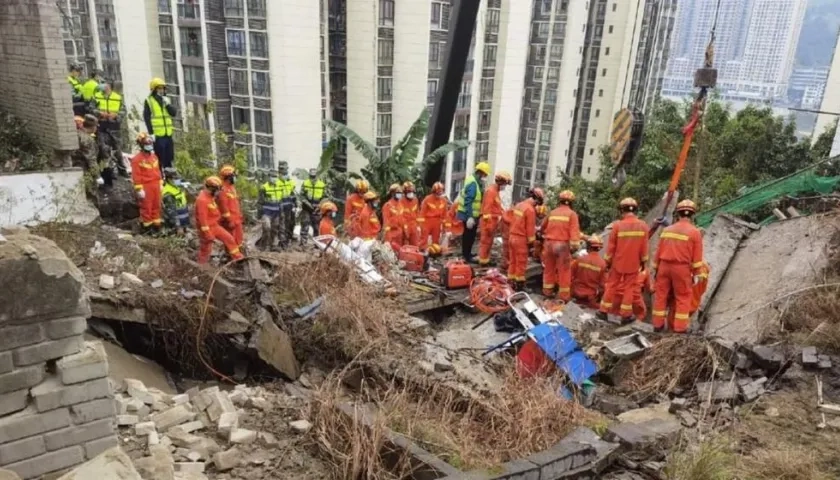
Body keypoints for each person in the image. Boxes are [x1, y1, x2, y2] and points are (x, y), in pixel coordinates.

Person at [651, 199, 704, 333]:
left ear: (678, 213)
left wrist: (656, 268)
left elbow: (658, 252)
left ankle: (657, 325)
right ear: (692, 215)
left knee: (661, 296)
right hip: (681, 269)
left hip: (663, 266)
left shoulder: (667, 230)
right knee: (683, 297)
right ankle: (680, 328)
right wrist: (698, 273)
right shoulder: (694, 232)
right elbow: (697, 259)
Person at [598, 197, 649, 324]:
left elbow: (611, 248)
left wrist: (608, 262)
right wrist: (643, 261)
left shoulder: (617, 226)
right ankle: (626, 315)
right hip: (633, 263)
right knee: (629, 288)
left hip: (617, 262)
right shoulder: (643, 226)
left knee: (611, 285)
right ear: (636, 210)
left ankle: (603, 311)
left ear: (622, 210)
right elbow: (644, 247)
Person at [541, 190, 582, 301]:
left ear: (560, 201)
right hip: (562, 246)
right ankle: (563, 297)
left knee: (548, 269)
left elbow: (542, 227)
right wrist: (574, 247)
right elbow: (574, 233)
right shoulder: (572, 214)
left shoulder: (552, 212)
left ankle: (547, 292)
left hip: (549, 244)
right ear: (572, 202)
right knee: (564, 272)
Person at [195, 176, 244, 264]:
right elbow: (202, 221)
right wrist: (207, 234)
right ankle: (201, 267)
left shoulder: (210, 197)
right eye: (218, 190)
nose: (219, 193)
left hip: (215, 226)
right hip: (206, 229)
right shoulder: (202, 200)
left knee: (229, 239)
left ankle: (238, 258)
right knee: (206, 250)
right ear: (212, 189)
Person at [508, 187, 544, 290]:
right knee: (521, 263)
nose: (537, 205)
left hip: (512, 237)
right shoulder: (530, 210)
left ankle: (510, 282)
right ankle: (519, 285)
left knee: (513, 261)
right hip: (520, 240)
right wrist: (532, 243)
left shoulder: (519, 205)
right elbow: (529, 230)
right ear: (536, 199)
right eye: (538, 202)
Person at [457, 162, 490, 262]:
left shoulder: (475, 181)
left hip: (472, 214)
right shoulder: (473, 184)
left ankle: (467, 253)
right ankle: (466, 256)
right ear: (481, 172)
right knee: (468, 235)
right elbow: (468, 201)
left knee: (470, 235)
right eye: (485, 174)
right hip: (468, 214)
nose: (485, 176)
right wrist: (470, 217)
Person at [130, 133, 163, 233]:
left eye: (150, 143)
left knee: (157, 206)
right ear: (141, 145)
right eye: (147, 143)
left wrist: (161, 183)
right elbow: (136, 175)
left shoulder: (154, 157)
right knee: (146, 207)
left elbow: (158, 171)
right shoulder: (137, 160)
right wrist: (139, 189)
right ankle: (147, 228)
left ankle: (157, 226)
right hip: (146, 186)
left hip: (156, 185)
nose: (149, 145)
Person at [478, 171, 512, 265]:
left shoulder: (495, 191)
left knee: (489, 242)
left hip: (493, 220)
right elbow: (487, 210)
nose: (505, 186)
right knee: (485, 242)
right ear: (500, 182)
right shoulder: (491, 191)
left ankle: (485, 259)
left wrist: (505, 213)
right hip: (488, 221)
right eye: (505, 184)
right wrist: (488, 224)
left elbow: (497, 207)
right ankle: (483, 261)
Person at [143, 77, 177, 170]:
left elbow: (173, 113)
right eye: (159, 88)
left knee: (169, 157)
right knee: (160, 158)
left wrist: (167, 105)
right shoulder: (149, 101)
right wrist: (151, 133)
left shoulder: (166, 100)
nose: (161, 90)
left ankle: (169, 175)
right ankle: (161, 176)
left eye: (162, 88)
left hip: (168, 134)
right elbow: (147, 118)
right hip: (158, 135)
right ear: (154, 89)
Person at [571, 235, 607, 308]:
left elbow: (569, 275)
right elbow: (602, 287)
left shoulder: (580, 259)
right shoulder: (602, 264)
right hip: (589, 299)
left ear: (589, 246)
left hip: (575, 295)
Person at [218, 165, 243, 249]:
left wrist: (239, 216)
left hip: (236, 219)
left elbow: (235, 203)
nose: (235, 178)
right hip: (229, 221)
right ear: (229, 177)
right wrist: (229, 220)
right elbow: (223, 208)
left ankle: (240, 256)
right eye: (234, 176)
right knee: (231, 242)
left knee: (239, 240)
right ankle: (231, 258)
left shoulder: (232, 188)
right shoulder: (223, 190)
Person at [258, 169, 284, 250]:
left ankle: (273, 245)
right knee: (267, 228)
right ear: (268, 177)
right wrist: (260, 214)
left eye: (275, 177)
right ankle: (263, 246)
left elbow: (281, 200)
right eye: (272, 176)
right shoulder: (264, 187)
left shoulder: (280, 187)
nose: (274, 178)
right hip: (266, 212)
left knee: (274, 229)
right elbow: (260, 202)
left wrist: (281, 212)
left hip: (276, 212)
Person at [300, 168, 326, 243]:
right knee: (305, 225)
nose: (313, 179)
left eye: (314, 177)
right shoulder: (305, 183)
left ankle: (317, 244)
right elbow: (302, 196)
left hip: (317, 208)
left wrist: (320, 205)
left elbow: (326, 197)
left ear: (317, 176)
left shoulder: (322, 184)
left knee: (317, 227)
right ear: (309, 175)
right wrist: (307, 204)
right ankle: (303, 243)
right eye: (311, 176)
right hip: (306, 208)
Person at [419, 182, 447, 248]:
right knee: (424, 239)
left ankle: (434, 253)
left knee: (436, 239)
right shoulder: (427, 199)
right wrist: (421, 225)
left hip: (437, 222)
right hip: (427, 221)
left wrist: (445, 227)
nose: (439, 194)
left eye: (441, 192)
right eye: (437, 192)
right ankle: (422, 251)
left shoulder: (444, 201)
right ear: (434, 191)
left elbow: (445, 215)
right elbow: (422, 213)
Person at [161, 168, 189, 234]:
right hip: (175, 227)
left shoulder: (177, 187)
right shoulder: (168, 192)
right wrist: (178, 227)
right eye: (175, 179)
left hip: (183, 223)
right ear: (169, 179)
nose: (177, 180)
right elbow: (171, 212)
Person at [276, 161, 297, 247]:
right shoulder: (276, 181)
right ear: (280, 169)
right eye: (283, 169)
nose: (285, 170)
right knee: (282, 224)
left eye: (286, 168)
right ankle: (282, 241)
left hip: (289, 205)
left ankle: (288, 238)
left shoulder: (289, 181)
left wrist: (295, 203)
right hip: (280, 206)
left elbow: (292, 192)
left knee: (290, 222)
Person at [382, 183, 405, 250]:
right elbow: (386, 224)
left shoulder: (401, 205)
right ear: (392, 193)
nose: (400, 194)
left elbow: (403, 220)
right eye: (398, 192)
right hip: (391, 235)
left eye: (401, 193)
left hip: (400, 235)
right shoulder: (387, 206)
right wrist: (387, 240)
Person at [400, 181, 420, 247]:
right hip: (404, 226)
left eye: (412, 191)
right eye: (408, 191)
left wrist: (419, 225)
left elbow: (417, 213)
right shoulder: (401, 201)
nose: (411, 193)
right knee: (405, 246)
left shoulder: (415, 200)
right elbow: (399, 216)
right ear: (405, 192)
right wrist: (404, 227)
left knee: (415, 245)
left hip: (414, 225)